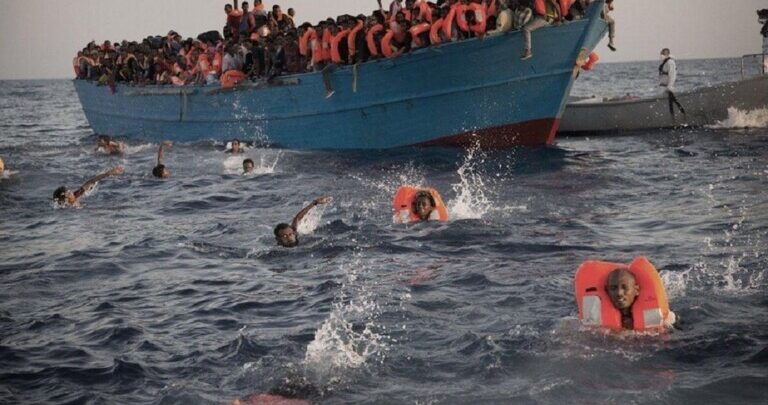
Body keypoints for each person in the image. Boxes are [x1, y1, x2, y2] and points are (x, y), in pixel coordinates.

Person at [605, 268, 676, 330]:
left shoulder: (666, 318)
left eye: (625, 287)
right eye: (613, 288)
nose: (619, 293)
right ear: (607, 291)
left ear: (636, 290)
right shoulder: (599, 318)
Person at [53, 166, 124, 207]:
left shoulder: (76, 195)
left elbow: (91, 181)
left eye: (70, 191)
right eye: (69, 193)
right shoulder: (66, 207)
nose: (72, 192)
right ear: (65, 199)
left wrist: (108, 174)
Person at [659, 48, 686, 118]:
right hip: (665, 85)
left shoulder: (670, 62)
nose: (661, 55)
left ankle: (680, 113)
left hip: (668, 86)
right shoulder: (665, 62)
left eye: (663, 53)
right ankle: (678, 114)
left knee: (672, 101)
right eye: (662, 53)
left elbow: (672, 74)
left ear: (667, 54)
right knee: (672, 101)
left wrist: (670, 85)